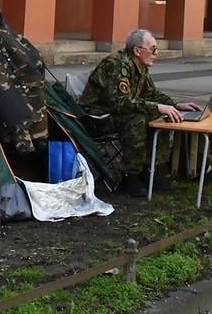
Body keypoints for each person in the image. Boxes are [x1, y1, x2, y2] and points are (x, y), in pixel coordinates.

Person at [79, 29, 202, 196]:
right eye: (153, 49)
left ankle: (153, 168)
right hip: (96, 118)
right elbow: (119, 102)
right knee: (138, 118)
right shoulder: (117, 64)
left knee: (163, 114)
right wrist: (158, 107)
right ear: (138, 51)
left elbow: (151, 94)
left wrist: (175, 105)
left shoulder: (140, 66)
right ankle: (130, 176)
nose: (156, 54)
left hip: (115, 114)